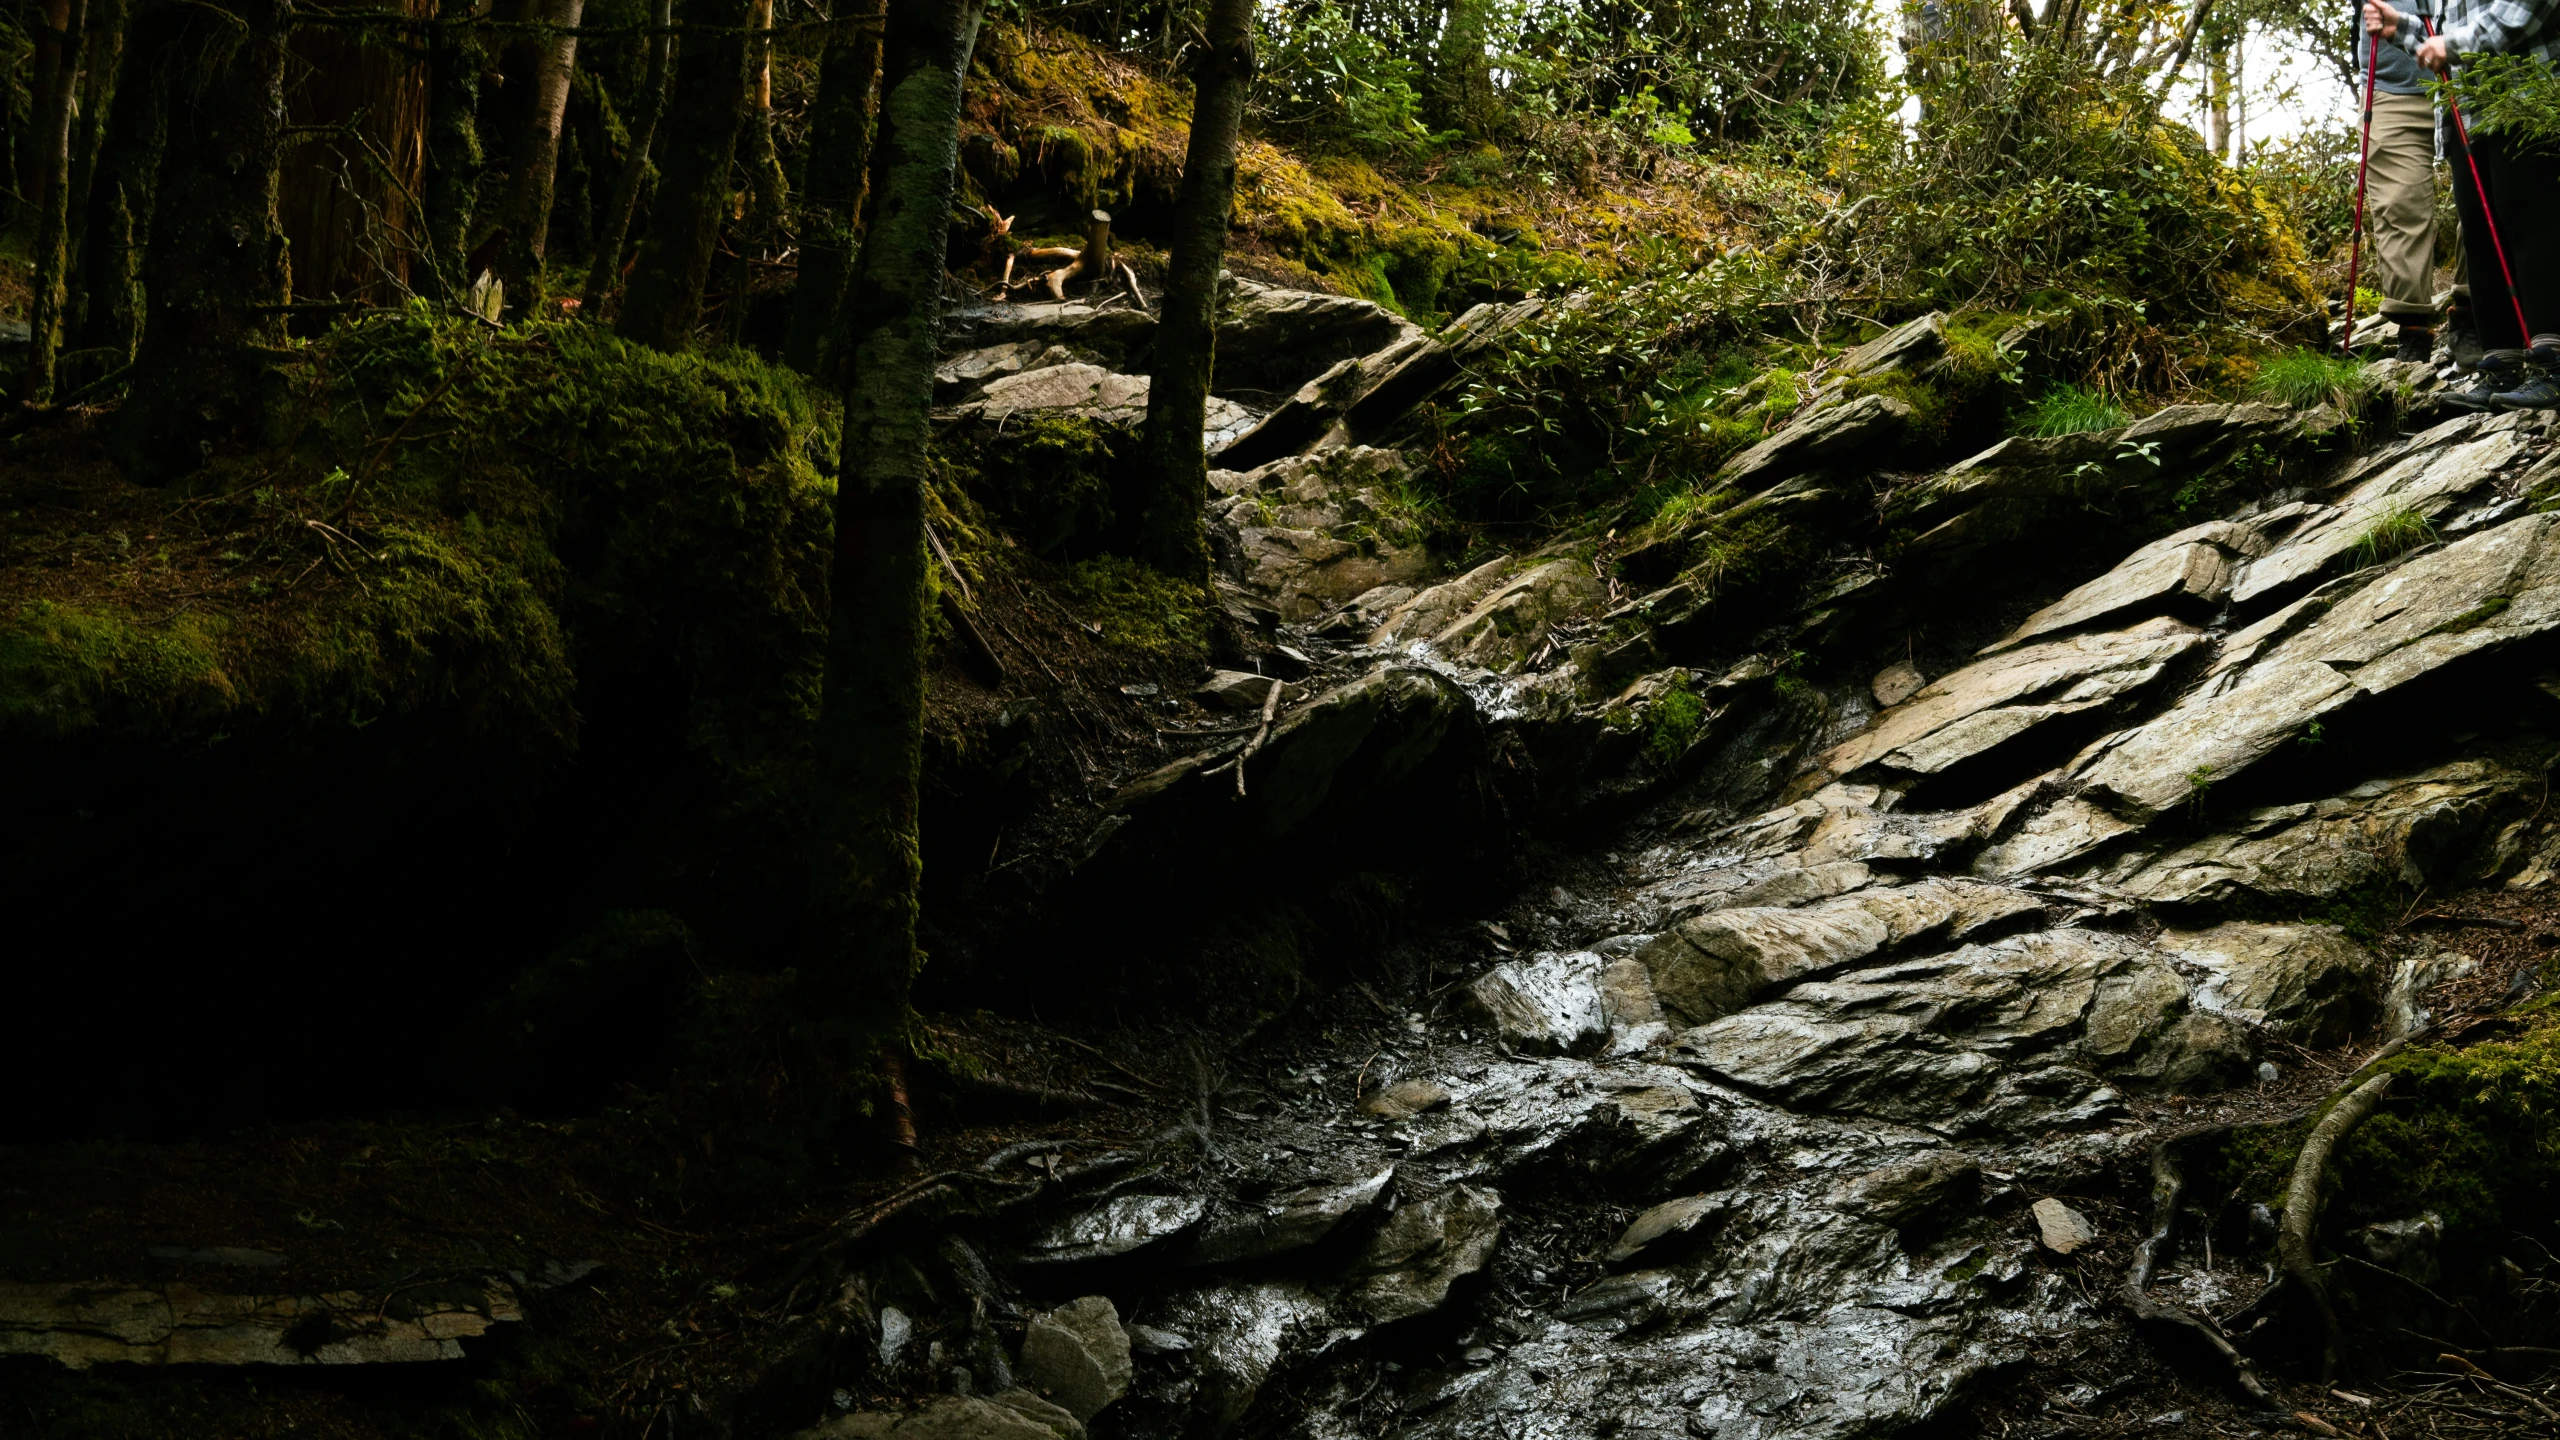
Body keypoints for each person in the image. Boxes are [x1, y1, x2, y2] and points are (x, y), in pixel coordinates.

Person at [2366, 0, 2560, 408]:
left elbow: (2529, 8)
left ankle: (2553, 363)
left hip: (2526, 93)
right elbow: (2445, 40)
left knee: (2531, 222)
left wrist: (2453, 44)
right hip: (2465, 110)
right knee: (2480, 234)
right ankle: (2500, 365)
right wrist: (2401, 28)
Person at [2358, 26, 2446, 362]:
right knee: (2399, 203)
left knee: (2489, 199)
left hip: (2476, 78)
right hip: (2390, 84)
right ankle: (2412, 328)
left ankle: (2472, 313)